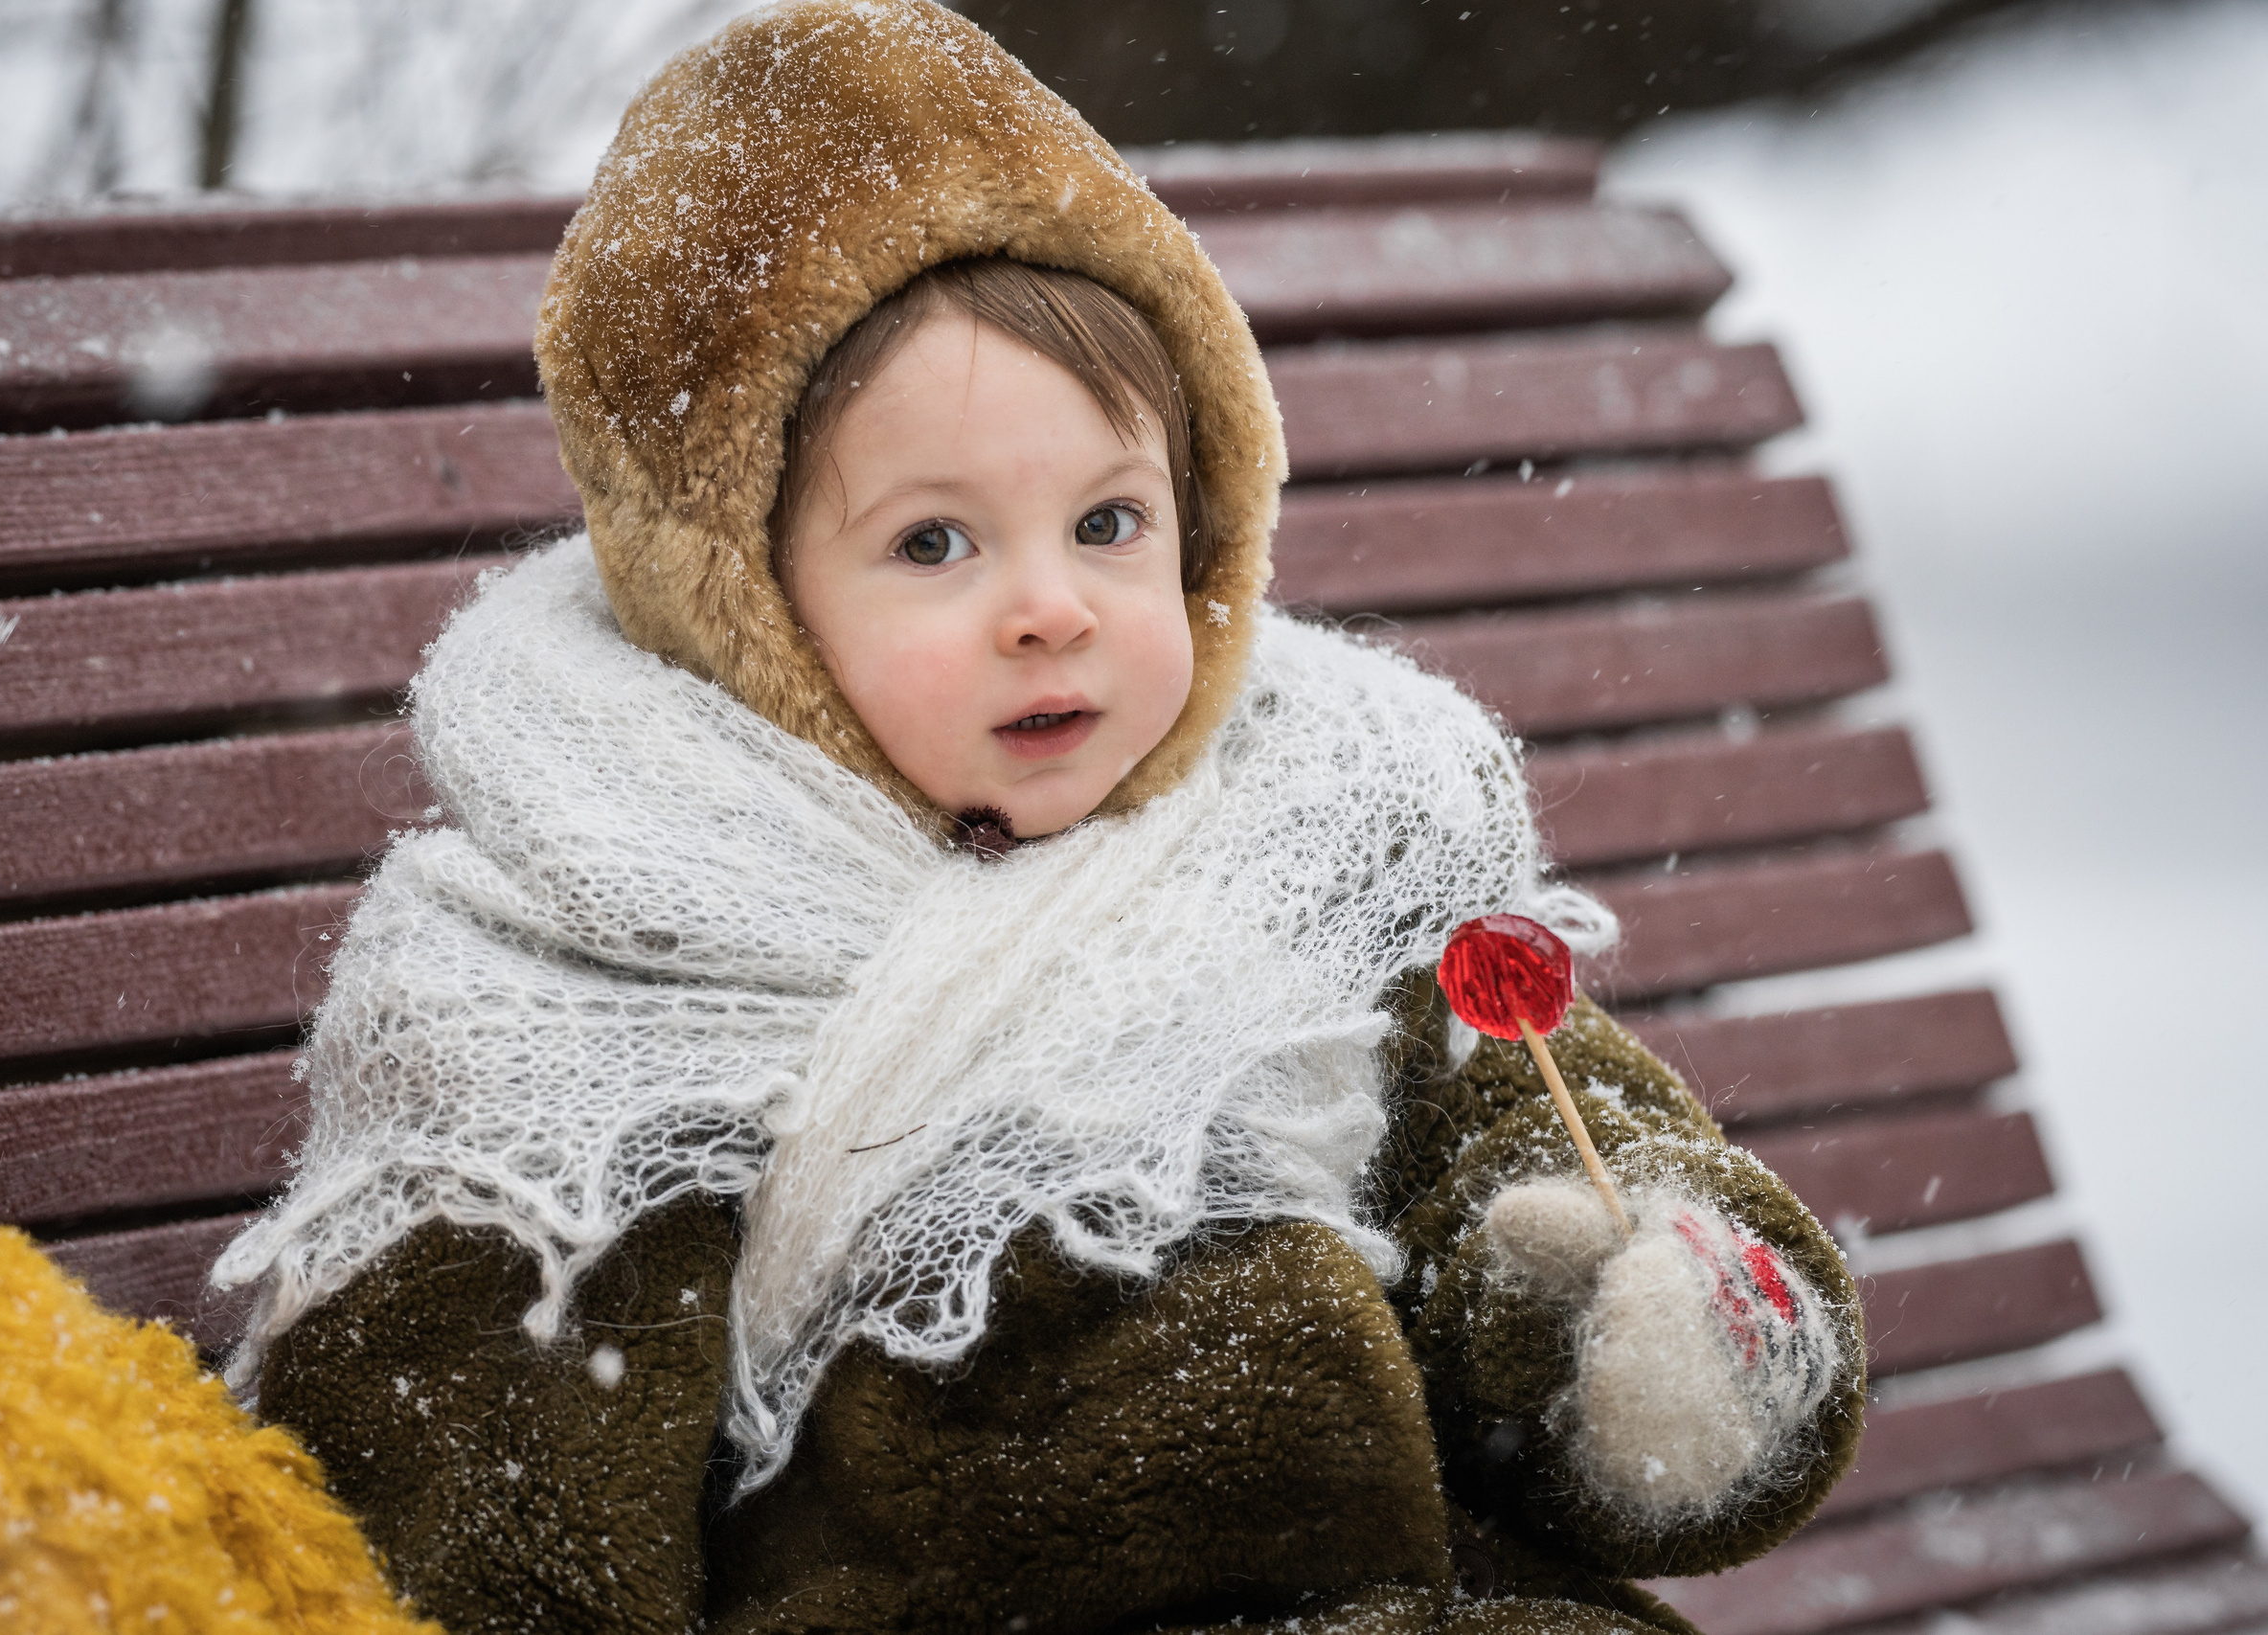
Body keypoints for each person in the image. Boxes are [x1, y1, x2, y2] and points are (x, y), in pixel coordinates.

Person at [214, 3, 1864, 1629]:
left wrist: (1623, 1323)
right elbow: (500, 1504)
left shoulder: (1318, 827)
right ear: (739, 606)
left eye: (1109, 521)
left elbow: (1550, 1140)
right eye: (936, 543)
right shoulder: (573, 973)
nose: (1051, 609)